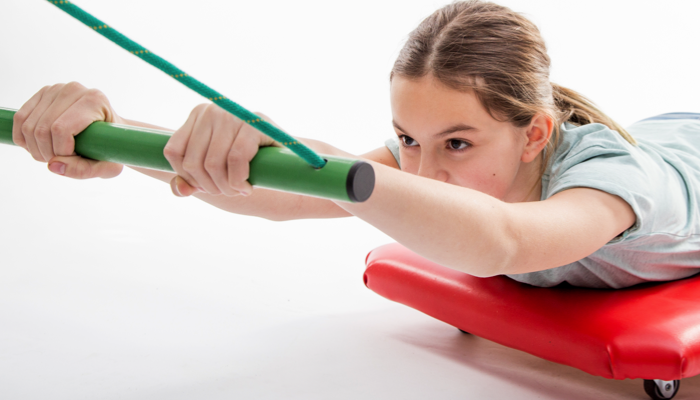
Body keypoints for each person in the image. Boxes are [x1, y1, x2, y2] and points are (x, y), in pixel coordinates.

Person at [10, 0, 700, 289]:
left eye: (457, 143)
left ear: (535, 135)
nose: (423, 170)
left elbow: (507, 242)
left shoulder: (616, 180)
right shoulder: (436, 166)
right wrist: (112, 140)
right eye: (407, 138)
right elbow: (286, 188)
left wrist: (349, 174)